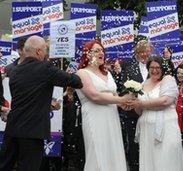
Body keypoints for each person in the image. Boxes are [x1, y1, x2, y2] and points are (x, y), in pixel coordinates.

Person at [0, 35, 83, 171]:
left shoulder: (13, 71)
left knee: (5, 166)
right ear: (38, 52)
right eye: (45, 49)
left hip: (13, 127)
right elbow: (75, 81)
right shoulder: (45, 68)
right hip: (32, 131)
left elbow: (29, 98)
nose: (46, 53)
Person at [76, 40, 130, 171]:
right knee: (97, 152)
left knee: (113, 151)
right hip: (94, 116)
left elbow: (114, 96)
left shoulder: (108, 73)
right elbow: (94, 96)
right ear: (87, 54)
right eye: (96, 50)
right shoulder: (82, 73)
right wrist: (120, 100)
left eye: (102, 50)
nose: (101, 53)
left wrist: (125, 104)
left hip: (111, 117)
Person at [128, 57, 183, 171]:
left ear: (163, 68)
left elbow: (165, 101)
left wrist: (141, 104)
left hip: (165, 129)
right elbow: (139, 111)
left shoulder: (168, 79)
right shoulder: (144, 84)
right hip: (146, 130)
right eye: (152, 68)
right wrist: (134, 103)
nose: (154, 70)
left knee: (166, 160)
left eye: (158, 67)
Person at [115, 39, 153, 171]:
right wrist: (131, 96)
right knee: (133, 144)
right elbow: (122, 87)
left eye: (147, 51)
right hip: (131, 113)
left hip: (150, 111)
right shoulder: (127, 65)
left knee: (149, 143)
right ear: (137, 52)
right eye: (142, 52)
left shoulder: (155, 66)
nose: (145, 55)